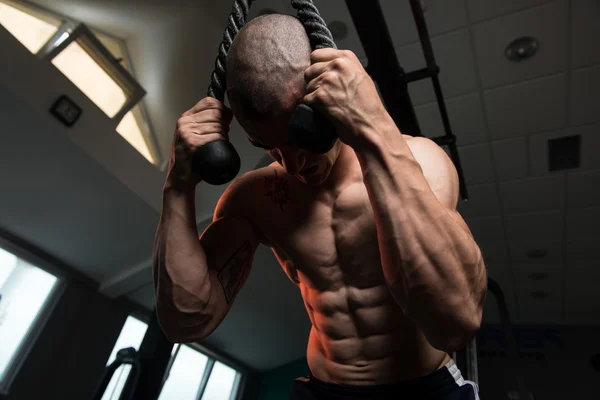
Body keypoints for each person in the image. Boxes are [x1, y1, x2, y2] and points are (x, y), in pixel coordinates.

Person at [153, 13, 487, 400]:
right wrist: (178, 183)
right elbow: (186, 321)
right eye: (268, 147)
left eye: (301, 138)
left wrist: (372, 125)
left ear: (327, 103)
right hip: (325, 390)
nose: (291, 165)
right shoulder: (254, 199)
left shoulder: (420, 162)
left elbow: (456, 322)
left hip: (426, 389)